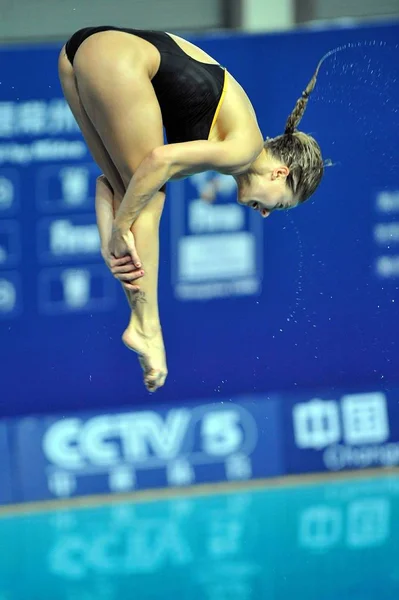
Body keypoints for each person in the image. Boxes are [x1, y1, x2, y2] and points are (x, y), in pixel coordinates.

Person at [58, 25, 326, 393]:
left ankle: (142, 325)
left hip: (79, 53)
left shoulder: (233, 139)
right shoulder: (243, 149)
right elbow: (158, 160)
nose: (263, 213)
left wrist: (111, 236)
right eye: (276, 205)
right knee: (149, 200)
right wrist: (121, 226)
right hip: (113, 56)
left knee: (134, 192)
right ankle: (147, 329)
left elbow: (107, 185)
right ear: (280, 173)